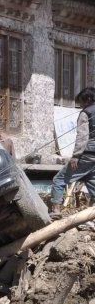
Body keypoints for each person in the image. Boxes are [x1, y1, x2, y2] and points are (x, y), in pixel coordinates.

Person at [50, 87, 95, 217]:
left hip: (86, 154)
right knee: (92, 182)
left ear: (88, 99)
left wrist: (75, 156)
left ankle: (56, 210)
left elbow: (82, 136)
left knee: (59, 180)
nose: (80, 106)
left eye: (81, 102)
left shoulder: (85, 113)